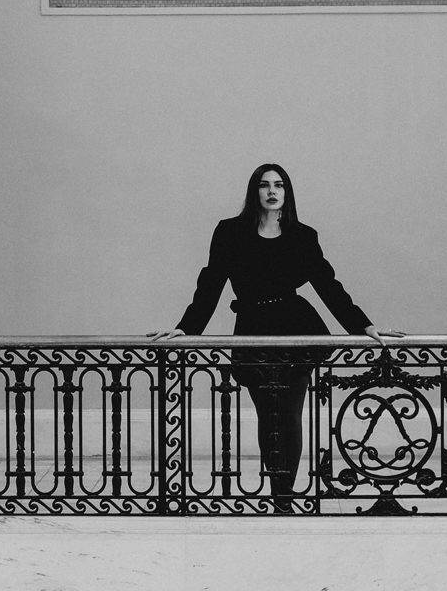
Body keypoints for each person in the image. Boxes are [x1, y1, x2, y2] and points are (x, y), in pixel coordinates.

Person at [152, 164, 392, 511]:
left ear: (287, 192)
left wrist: (364, 326)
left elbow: (328, 286)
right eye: (264, 185)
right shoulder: (230, 232)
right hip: (252, 329)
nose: (271, 191)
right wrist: (186, 329)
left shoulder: (302, 235)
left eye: (279, 185)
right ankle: (280, 490)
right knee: (269, 416)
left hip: (296, 328)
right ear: (255, 192)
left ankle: (283, 497)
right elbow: (210, 284)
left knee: (290, 415)